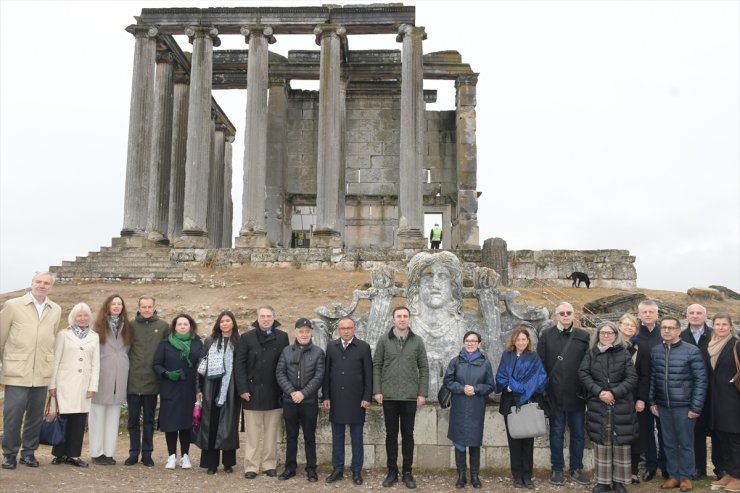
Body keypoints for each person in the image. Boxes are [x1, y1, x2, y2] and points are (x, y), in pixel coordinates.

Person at [1, 271, 62, 470]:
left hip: (42, 373)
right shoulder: (13, 306)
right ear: (32, 283)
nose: (42, 285)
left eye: (46, 283)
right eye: (39, 281)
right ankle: (9, 454)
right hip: (17, 371)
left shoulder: (56, 309)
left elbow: (51, 339)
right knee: (13, 415)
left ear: (51, 287)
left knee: (35, 417)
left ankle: (28, 453)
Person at [373, 306, 430, 489]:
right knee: (391, 435)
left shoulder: (417, 341)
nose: (402, 319)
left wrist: (422, 393)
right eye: (399, 316)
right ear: (393, 319)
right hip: (389, 396)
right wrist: (377, 390)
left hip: (409, 397)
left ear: (409, 319)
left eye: (405, 316)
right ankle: (392, 472)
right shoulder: (384, 340)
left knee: (408, 435)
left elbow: (424, 368)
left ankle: (407, 472)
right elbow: (377, 366)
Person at [649, 316, 707, 493]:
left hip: (684, 406)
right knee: (669, 442)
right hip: (663, 405)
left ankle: (686, 477)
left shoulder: (692, 351)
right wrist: (652, 401)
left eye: (670, 328)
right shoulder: (656, 350)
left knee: (685, 442)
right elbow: (654, 378)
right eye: (664, 328)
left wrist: (696, 407)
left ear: (678, 330)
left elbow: (701, 380)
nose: (666, 331)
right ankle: (674, 476)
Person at [579, 321, 638, 493]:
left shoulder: (624, 353)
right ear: (598, 335)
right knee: (602, 441)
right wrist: (599, 392)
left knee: (620, 442)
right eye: (602, 333)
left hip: (620, 404)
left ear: (615, 335)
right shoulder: (591, 353)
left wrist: (614, 393)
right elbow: (583, 373)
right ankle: (603, 482)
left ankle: (619, 481)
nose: (606, 335)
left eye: (609, 333)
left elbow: (632, 378)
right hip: (599, 403)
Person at [536, 301, 591, 486]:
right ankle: (557, 469)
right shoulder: (546, 335)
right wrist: (544, 391)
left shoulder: (583, 336)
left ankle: (576, 468)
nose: (566, 316)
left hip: (577, 395)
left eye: (569, 312)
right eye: (562, 313)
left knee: (578, 434)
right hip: (554, 395)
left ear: (573, 314)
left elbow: (588, 364)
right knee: (556, 433)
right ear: (555, 315)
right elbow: (541, 364)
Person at [235, 305, 289, 479]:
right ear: (257, 318)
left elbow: (285, 365)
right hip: (251, 392)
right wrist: (242, 388)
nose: (266, 319)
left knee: (271, 432)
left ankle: (269, 464)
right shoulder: (246, 338)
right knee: (252, 433)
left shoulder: (283, 337)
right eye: (263, 316)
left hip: (275, 392)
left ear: (274, 318)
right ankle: (251, 466)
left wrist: (284, 389)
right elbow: (239, 365)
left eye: (269, 316)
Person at [48, 302, 100, 468]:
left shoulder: (94, 336)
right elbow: (55, 361)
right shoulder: (63, 334)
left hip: (84, 386)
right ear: (73, 317)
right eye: (79, 315)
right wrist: (52, 384)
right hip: (64, 384)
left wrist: (93, 386)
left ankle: (73, 455)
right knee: (63, 419)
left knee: (78, 421)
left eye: (85, 315)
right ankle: (59, 454)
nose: (82, 318)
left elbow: (95, 364)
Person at [495, 326, 548, 490]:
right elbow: (501, 375)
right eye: (518, 339)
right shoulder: (507, 356)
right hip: (510, 403)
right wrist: (511, 387)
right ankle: (517, 475)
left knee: (528, 441)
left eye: (524, 339)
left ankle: (527, 475)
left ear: (528, 341)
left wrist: (523, 388)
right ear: (514, 341)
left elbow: (540, 377)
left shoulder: (534, 357)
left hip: (528, 402)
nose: (521, 342)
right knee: (514, 441)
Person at [323, 317, 373, 485]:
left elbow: (369, 375)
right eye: (342, 328)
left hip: (356, 401)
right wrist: (326, 396)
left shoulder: (363, 347)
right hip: (336, 400)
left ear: (354, 329)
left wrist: (367, 397)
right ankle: (337, 469)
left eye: (349, 327)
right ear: (338, 329)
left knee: (356, 438)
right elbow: (326, 374)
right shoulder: (331, 347)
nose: (345, 331)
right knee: (337, 437)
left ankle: (356, 470)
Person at [444, 330, 495, 489]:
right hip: (459, 405)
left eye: (473, 341)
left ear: (479, 344)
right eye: (467, 340)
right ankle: (461, 475)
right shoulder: (455, 361)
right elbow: (448, 381)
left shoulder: (485, 363)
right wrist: (461, 388)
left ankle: (474, 476)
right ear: (464, 342)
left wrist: (476, 389)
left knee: (474, 442)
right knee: (459, 442)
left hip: (476, 407)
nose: (470, 343)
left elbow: (490, 385)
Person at [275, 318, 325, 482]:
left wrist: (303, 393)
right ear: (295, 332)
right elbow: (280, 373)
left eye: (307, 331)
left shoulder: (318, 352)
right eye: (301, 331)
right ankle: (290, 468)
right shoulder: (286, 351)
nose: (304, 334)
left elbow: (319, 376)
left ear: (311, 333)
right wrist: (291, 392)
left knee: (310, 437)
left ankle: (311, 469)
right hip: (290, 402)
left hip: (309, 402)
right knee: (291, 436)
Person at [152, 313, 203, 470]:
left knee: (186, 423)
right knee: (171, 423)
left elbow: (201, 366)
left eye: (185, 324)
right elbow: (156, 364)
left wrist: (199, 389)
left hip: (189, 388)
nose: (182, 326)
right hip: (170, 387)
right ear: (174, 326)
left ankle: (185, 456)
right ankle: (171, 456)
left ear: (190, 326)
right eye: (179, 324)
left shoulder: (197, 343)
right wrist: (167, 374)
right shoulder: (165, 343)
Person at [125, 296, 168, 467]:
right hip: (133, 380)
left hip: (152, 381)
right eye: (144, 307)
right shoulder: (130, 325)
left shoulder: (163, 326)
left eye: (150, 306)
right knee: (133, 420)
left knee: (149, 420)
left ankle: (147, 454)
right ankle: (133, 453)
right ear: (139, 307)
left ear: (154, 307)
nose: (147, 309)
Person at [195, 311, 240, 475]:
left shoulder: (239, 342)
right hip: (211, 388)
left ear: (233, 323)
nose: (225, 324)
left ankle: (228, 463)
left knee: (229, 426)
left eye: (228, 321)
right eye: (222, 321)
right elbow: (200, 366)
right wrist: (198, 389)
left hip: (231, 389)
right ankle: (211, 463)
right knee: (211, 425)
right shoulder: (210, 341)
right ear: (218, 324)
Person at [90, 294, 132, 465]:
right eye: (113, 304)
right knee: (97, 416)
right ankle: (96, 452)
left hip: (119, 376)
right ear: (107, 306)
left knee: (113, 418)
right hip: (101, 376)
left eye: (119, 304)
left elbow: (127, 350)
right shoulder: (97, 326)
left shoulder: (127, 327)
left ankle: (108, 453)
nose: (116, 306)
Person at [679, 303, 717, 480]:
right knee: (696, 431)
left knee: (717, 430)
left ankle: (721, 469)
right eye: (691, 313)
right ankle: (698, 467)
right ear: (687, 316)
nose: (695, 316)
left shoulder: (715, 334)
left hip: (714, 391)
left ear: (705, 316)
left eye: (699, 313)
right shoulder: (681, 336)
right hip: (689, 391)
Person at [707, 314, 740, 492]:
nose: (720, 327)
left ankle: (738, 476)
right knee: (722, 438)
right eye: (717, 324)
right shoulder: (712, 345)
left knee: (735, 439)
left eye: (724, 324)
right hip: (717, 400)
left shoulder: (736, 344)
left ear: (730, 326)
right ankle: (728, 473)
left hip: (733, 400)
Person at [636, 299, 667, 481]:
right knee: (646, 430)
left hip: (661, 389)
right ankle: (650, 465)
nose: (648, 314)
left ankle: (665, 465)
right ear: (639, 314)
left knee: (664, 430)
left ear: (657, 314)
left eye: (651, 312)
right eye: (644, 312)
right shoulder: (634, 334)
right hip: (641, 390)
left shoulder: (663, 333)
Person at [617, 313, 650, 485]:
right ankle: (616, 470)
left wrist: (642, 399)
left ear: (636, 329)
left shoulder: (640, 347)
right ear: (619, 325)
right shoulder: (610, 344)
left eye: (632, 325)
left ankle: (633, 471)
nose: (629, 327)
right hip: (614, 397)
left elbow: (645, 375)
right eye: (626, 324)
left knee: (635, 435)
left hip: (634, 397)